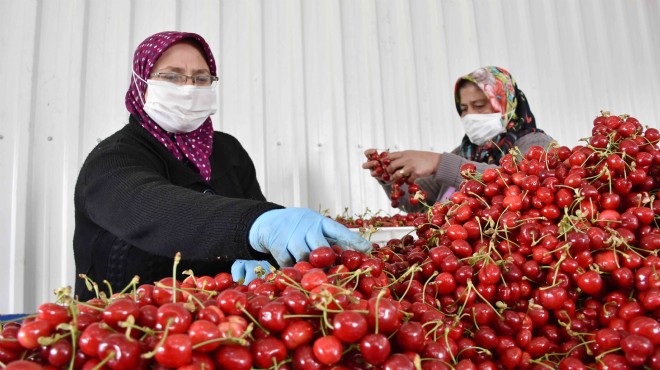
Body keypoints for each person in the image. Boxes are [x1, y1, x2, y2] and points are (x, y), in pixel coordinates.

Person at [73, 31, 371, 300]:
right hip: (126, 328)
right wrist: (252, 224)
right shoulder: (113, 157)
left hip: (221, 324)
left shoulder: (227, 150)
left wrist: (262, 255)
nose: (189, 88)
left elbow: (259, 223)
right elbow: (148, 205)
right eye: (172, 76)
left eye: (201, 78)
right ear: (141, 84)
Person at [363, 66, 554, 212]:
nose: (469, 115)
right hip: (457, 260)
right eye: (463, 108)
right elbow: (415, 205)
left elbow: (525, 187)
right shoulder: (464, 152)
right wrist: (389, 177)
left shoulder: (537, 144)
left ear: (506, 103)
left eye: (479, 105)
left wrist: (439, 163)